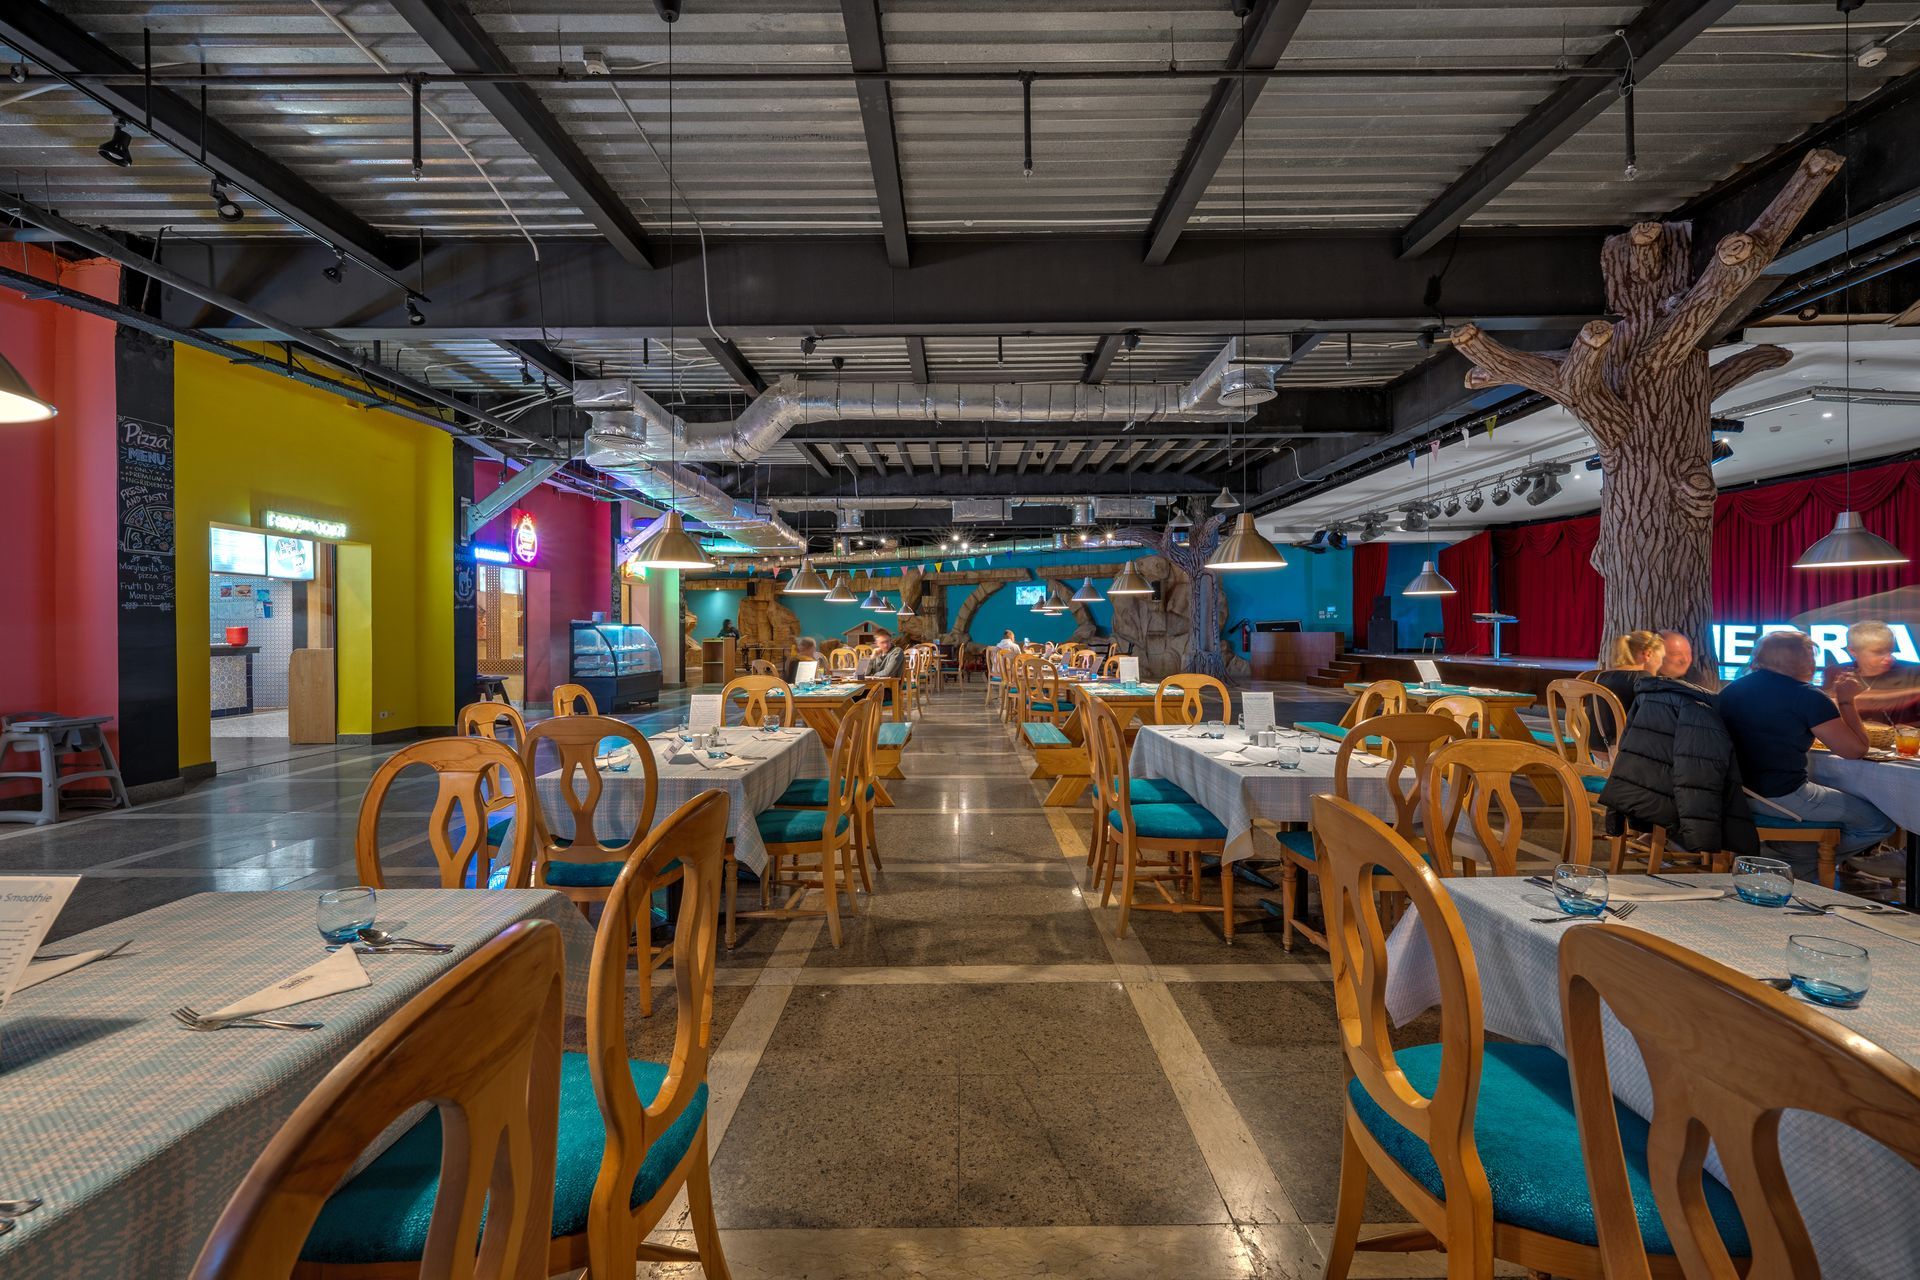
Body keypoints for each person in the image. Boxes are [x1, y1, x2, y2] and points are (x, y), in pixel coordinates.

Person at [1716, 630, 1896, 882]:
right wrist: (1846, 701)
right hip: (1781, 795)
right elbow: (1854, 750)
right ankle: (1793, 865)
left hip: (1734, 794)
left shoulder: (1732, 690)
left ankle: (1778, 856)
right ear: (1807, 662)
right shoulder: (1806, 695)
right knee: (1880, 822)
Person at [1824, 620, 1920, 725]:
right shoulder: (1834, 673)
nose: (1889, 658)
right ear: (1853, 651)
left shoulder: (1912, 673)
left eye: (1890, 651)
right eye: (1879, 652)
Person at [1594, 630, 1663, 748]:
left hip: (1598, 749)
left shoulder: (1600, 677)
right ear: (1648, 654)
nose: (1661, 663)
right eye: (1662, 656)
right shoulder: (1643, 679)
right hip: (1627, 753)